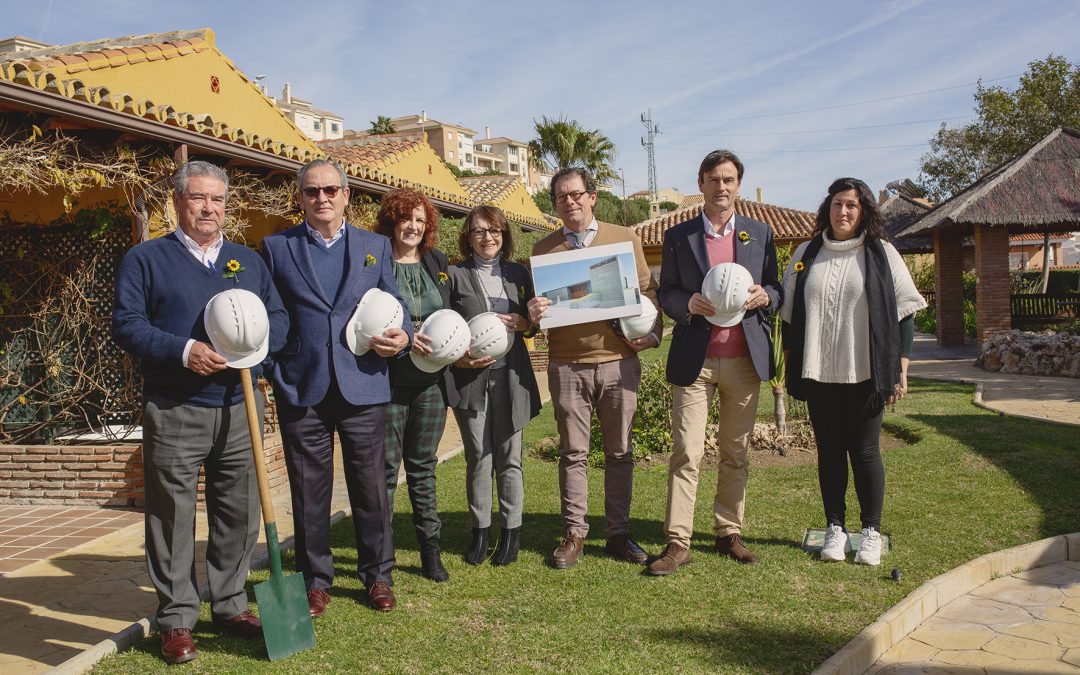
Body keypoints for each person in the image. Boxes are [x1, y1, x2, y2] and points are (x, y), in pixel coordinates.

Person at [112, 160, 288, 664]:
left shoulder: (247, 261)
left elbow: (277, 316)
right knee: (172, 515)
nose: (209, 208)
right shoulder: (146, 259)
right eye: (198, 198)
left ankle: (230, 604)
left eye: (217, 199)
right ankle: (176, 618)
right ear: (178, 202)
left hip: (240, 407)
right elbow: (126, 324)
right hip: (175, 406)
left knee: (239, 510)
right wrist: (183, 350)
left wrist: (257, 348)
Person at [261, 159, 408, 616]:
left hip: (363, 383)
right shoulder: (275, 247)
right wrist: (271, 369)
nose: (321, 198)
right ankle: (314, 580)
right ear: (300, 197)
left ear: (346, 194)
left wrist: (400, 339)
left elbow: (394, 304)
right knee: (309, 492)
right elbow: (268, 312)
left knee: (371, 489)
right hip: (301, 386)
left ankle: (378, 575)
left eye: (329, 190)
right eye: (311, 191)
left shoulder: (375, 246)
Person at [780, 177, 926, 566]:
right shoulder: (806, 253)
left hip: (866, 372)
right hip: (819, 372)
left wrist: (902, 370)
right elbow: (790, 316)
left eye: (852, 205)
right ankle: (836, 529)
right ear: (827, 208)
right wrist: (792, 363)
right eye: (837, 204)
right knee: (828, 453)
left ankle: (871, 532)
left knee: (864, 453)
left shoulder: (882, 253)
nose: (843, 212)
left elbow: (905, 314)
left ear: (863, 212)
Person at [649, 150, 781, 575]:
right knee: (687, 452)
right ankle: (677, 541)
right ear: (701, 183)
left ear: (738, 185)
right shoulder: (679, 235)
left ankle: (728, 532)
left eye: (729, 180)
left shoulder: (759, 234)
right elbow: (666, 290)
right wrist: (685, 302)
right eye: (713, 179)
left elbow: (777, 287)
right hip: (696, 360)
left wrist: (767, 297)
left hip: (744, 359)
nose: (721, 187)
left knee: (735, 452)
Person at [527, 167, 662, 569]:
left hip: (620, 363)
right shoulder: (543, 251)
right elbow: (539, 312)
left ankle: (618, 533)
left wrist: (653, 335)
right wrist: (533, 313)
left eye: (576, 194)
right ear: (554, 204)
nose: (569, 202)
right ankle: (574, 533)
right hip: (568, 366)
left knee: (620, 452)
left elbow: (649, 293)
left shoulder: (624, 239)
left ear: (592, 196)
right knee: (573, 454)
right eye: (561, 197)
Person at [447, 205, 541, 567]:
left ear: (505, 235)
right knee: (478, 458)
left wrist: (524, 323)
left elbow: (534, 322)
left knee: (509, 459)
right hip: (471, 380)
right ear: (468, 237)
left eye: (495, 231)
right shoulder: (454, 274)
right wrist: (458, 358)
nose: (488, 238)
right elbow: (446, 323)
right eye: (480, 231)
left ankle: (511, 533)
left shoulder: (519, 273)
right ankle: (480, 532)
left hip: (511, 378)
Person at [375, 188, 459, 582]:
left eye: (421, 220)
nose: (413, 226)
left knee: (423, 467)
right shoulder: (373, 262)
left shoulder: (436, 261)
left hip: (431, 382)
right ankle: (382, 558)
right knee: (386, 471)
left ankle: (430, 550)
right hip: (386, 381)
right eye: (407, 218)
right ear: (393, 219)